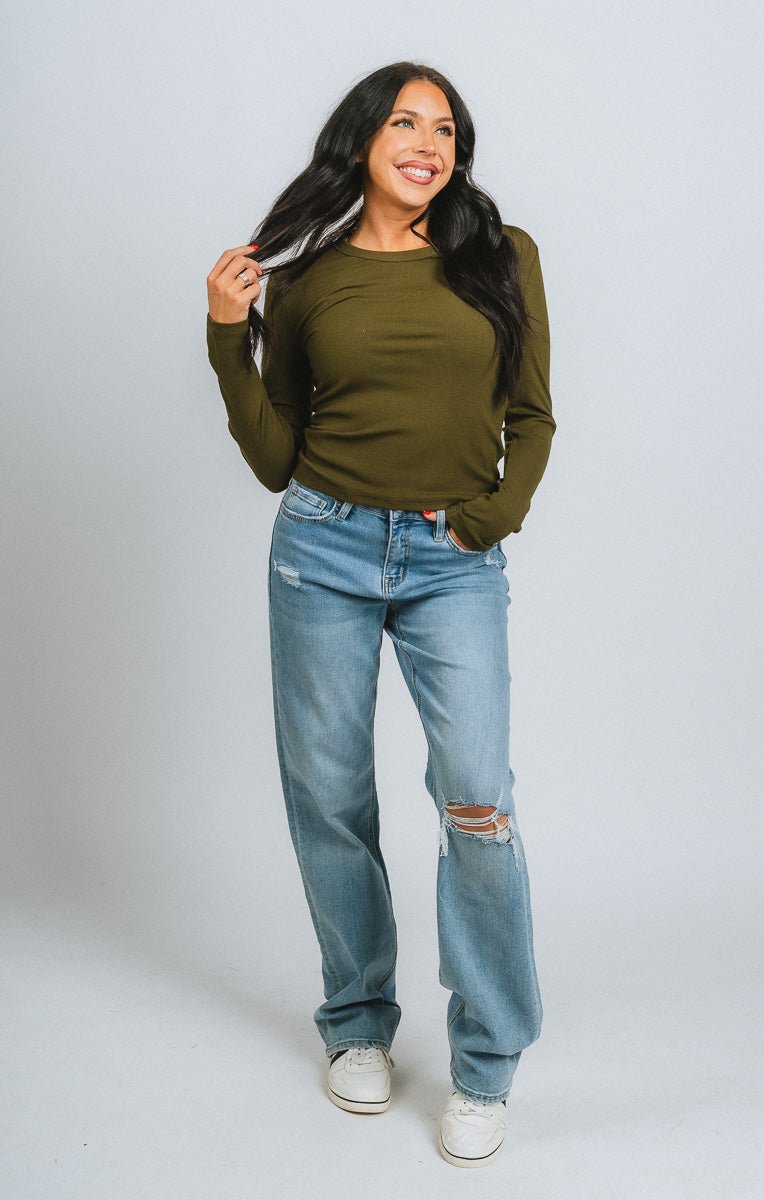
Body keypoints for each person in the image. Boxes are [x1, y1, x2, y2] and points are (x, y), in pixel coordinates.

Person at [205, 60, 556, 1169]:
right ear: (361, 141)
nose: (427, 143)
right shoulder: (311, 280)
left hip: (454, 561)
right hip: (323, 548)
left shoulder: (501, 258)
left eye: (444, 128)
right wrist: (226, 336)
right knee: (329, 795)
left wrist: (487, 520)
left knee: (477, 800)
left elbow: (533, 416)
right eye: (405, 122)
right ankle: (357, 1022)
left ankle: (485, 1061)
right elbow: (276, 456)